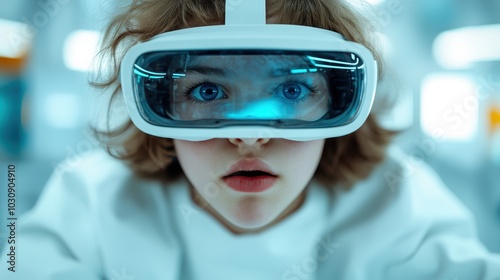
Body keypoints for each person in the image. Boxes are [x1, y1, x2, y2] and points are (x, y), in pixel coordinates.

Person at [2, 0, 500, 279]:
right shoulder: (92, 199)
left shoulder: (398, 201)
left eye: (290, 89)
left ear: (342, 100)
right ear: (157, 103)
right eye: (208, 90)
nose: (249, 137)